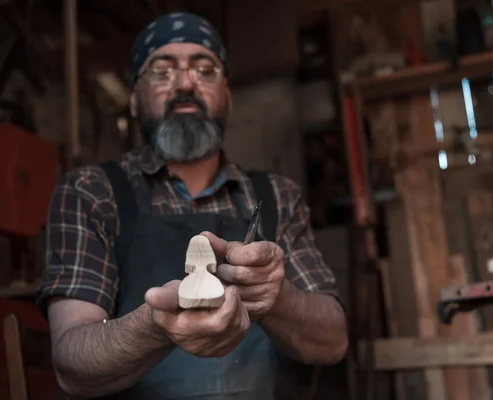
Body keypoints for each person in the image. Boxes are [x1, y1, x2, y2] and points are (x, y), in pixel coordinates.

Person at [37, 12, 348, 400]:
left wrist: (276, 297)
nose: (185, 83)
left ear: (228, 97)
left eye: (205, 70)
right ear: (134, 99)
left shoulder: (276, 196)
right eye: (162, 71)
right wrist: (155, 325)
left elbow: (333, 342)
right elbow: (71, 366)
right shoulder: (91, 191)